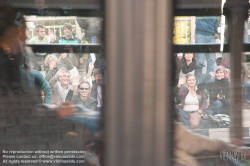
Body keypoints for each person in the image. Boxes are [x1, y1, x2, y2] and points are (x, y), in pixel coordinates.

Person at [195, 16, 219, 83]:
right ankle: (198, 82)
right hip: (200, 36)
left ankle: (210, 81)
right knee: (200, 61)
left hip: (211, 37)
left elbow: (216, 29)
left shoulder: (215, 15)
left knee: (211, 60)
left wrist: (219, 30)